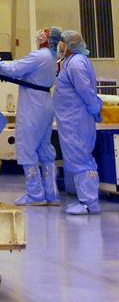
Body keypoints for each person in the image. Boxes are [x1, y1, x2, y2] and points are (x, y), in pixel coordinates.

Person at [0, 28, 58, 205]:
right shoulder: (52, 56)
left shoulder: (40, 55)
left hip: (33, 105)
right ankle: (51, 194)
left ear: (46, 39)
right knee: (44, 147)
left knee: (27, 146)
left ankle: (35, 195)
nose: (39, 34)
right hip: (45, 103)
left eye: (43, 33)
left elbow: (15, 68)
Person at [54, 28, 102, 215]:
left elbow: (86, 92)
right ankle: (86, 201)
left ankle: (89, 203)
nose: (60, 46)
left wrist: (95, 109)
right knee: (78, 158)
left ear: (71, 45)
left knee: (82, 159)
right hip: (71, 121)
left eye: (63, 42)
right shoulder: (70, 62)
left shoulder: (76, 64)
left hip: (76, 121)